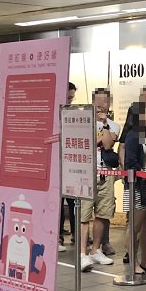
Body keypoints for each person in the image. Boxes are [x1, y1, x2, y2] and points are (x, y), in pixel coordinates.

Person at [118, 102, 146, 275]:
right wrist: (144, 176)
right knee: (135, 226)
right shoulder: (133, 136)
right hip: (137, 187)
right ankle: (133, 261)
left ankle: (145, 260)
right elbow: (130, 163)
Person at [79, 88, 119, 272]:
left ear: (109, 103)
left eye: (105, 101)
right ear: (92, 102)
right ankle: (82, 254)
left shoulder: (113, 125)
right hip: (86, 174)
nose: (101, 104)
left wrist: (103, 125)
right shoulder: (82, 121)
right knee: (84, 215)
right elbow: (83, 144)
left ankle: (95, 250)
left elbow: (108, 144)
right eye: (98, 100)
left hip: (106, 174)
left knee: (103, 214)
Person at [60, 82, 78, 246]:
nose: (70, 100)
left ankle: (76, 233)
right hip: (57, 163)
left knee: (74, 200)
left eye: (72, 97)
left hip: (71, 161)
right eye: (68, 97)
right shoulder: (54, 112)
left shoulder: (73, 112)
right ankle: (57, 235)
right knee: (57, 201)